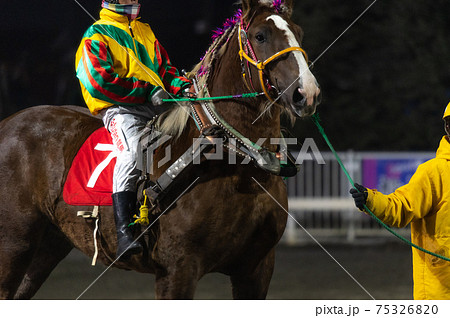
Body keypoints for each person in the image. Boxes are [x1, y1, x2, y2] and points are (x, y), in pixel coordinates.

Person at [75, 0, 191, 259]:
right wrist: (147, 91)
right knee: (133, 152)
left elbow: (166, 70)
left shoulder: (145, 31)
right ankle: (124, 233)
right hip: (120, 109)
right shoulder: (96, 34)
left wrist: (181, 86)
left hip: (158, 106)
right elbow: (97, 81)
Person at [350, 104, 450, 300]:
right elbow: (400, 207)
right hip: (438, 293)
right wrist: (371, 201)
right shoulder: (432, 173)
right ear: (447, 128)